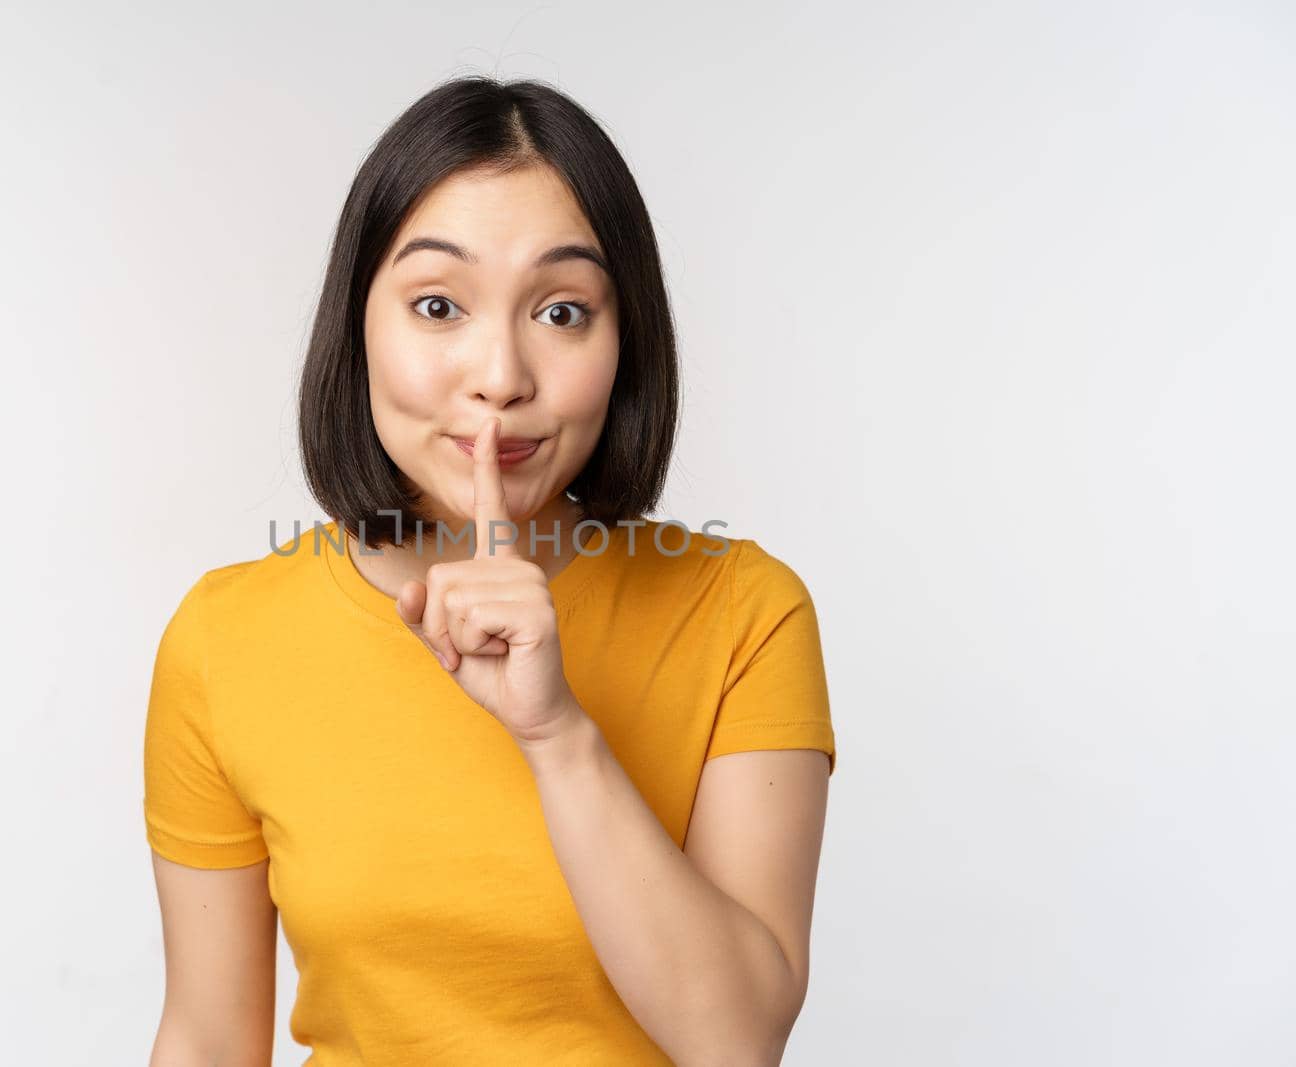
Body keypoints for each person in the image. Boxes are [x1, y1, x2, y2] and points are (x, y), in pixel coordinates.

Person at [142, 75, 837, 1066]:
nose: (502, 375)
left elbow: (736, 1040)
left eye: (561, 312)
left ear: (624, 339)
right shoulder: (226, 634)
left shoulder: (742, 610)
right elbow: (207, 1036)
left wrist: (555, 734)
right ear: (358, 326)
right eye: (437, 304)